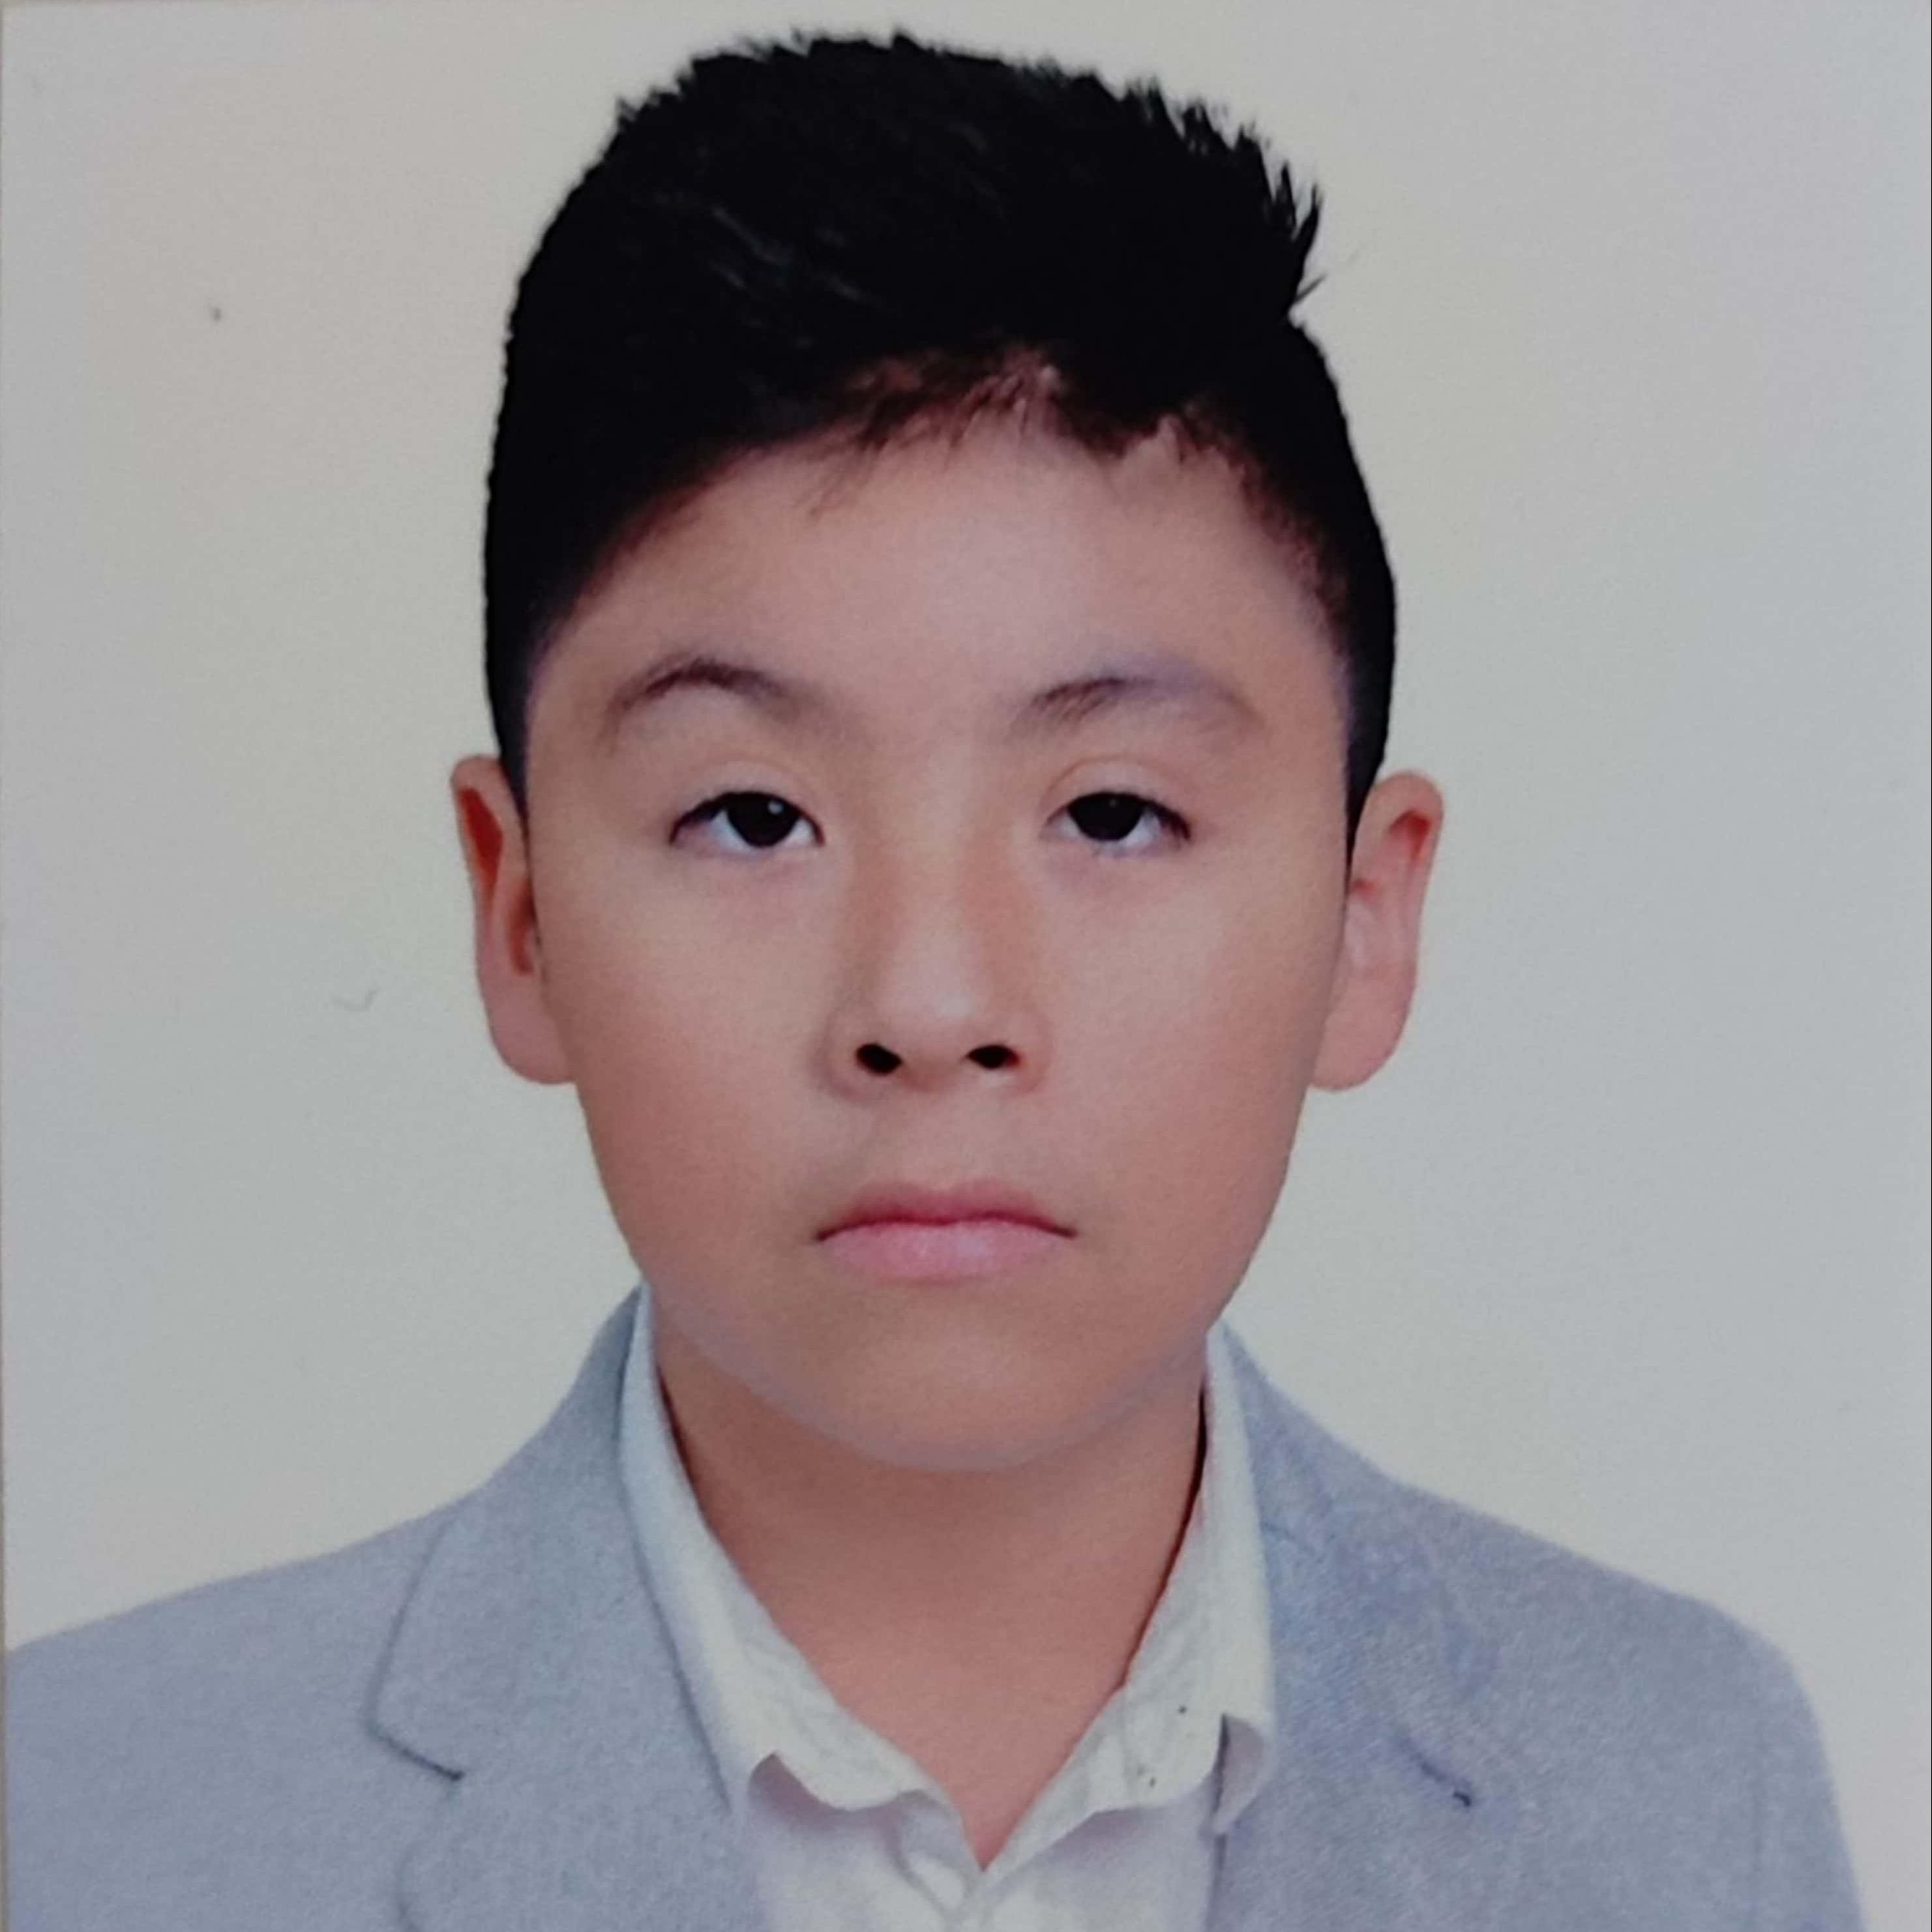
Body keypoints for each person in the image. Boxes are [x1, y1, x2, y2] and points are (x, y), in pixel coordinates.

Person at [4, 29, 1864, 1931]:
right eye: (752, 817)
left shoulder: (1679, 1794)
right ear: (521, 909)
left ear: (1363, 918)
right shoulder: (77, 1828)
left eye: (1114, 814)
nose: (931, 999)